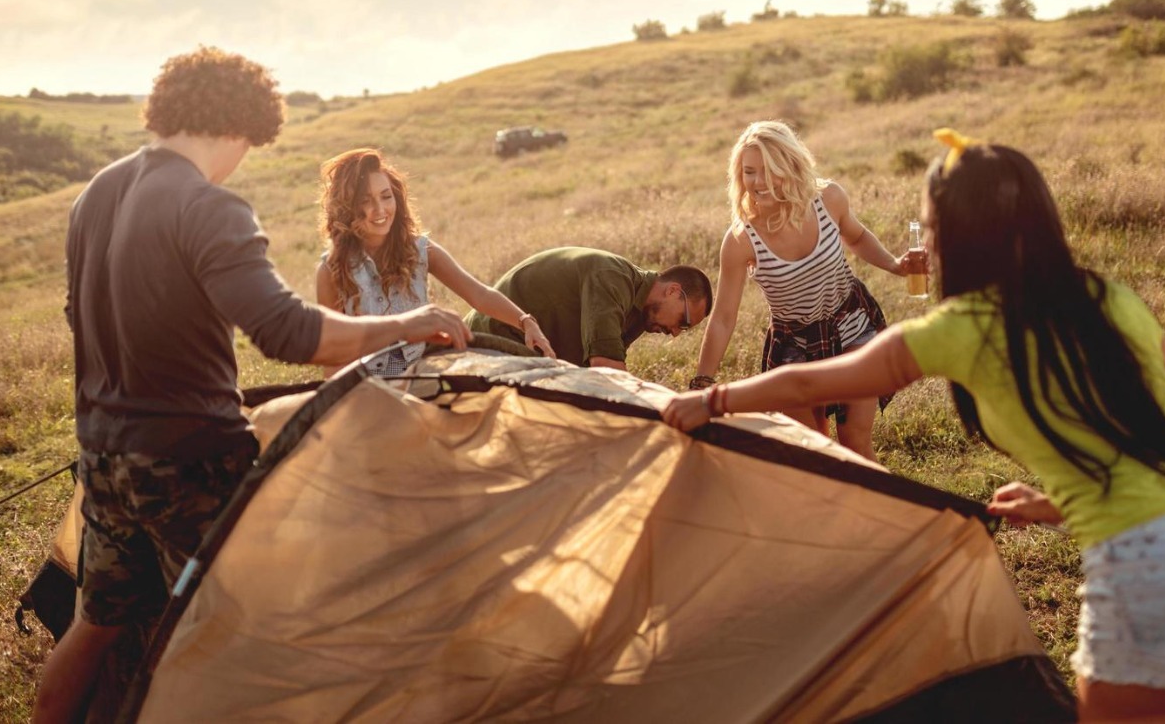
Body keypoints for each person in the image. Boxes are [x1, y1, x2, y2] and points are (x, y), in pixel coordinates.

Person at [663, 129, 1165, 722]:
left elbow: (806, 383)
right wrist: (1060, 500)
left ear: (955, 236)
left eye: (931, 225)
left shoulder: (962, 328)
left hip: (1160, 567)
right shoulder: (1111, 297)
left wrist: (712, 401)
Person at [35, 47, 472, 724]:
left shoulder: (97, 193)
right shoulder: (210, 205)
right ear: (238, 124)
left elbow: (77, 316)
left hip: (102, 456)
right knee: (255, 629)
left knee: (99, 624)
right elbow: (287, 331)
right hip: (190, 460)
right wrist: (413, 322)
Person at [690, 120, 926, 460]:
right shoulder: (741, 239)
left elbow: (856, 237)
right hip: (795, 349)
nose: (757, 182)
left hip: (852, 329)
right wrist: (702, 382)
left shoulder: (828, 199)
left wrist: (894, 265)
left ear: (790, 166)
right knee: (816, 453)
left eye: (768, 170)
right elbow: (724, 317)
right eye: (749, 172)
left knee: (855, 445)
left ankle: (883, 512)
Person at [315, 147, 554, 376]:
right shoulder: (331, 270)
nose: (380, 210)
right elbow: (332, 350)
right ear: (347, 207)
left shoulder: (420, 249)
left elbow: (479, 295)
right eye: (365, 200)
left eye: (386, 197)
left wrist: (526, 322)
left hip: (424, 371)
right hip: (368, 384)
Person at [466, 247, 712, 371]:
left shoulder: (641, 313)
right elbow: (606, 369)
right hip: (488, 342)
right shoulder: (613, 278)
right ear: (672, 291)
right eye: (684, 321)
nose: (677, 332)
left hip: (526, 358)